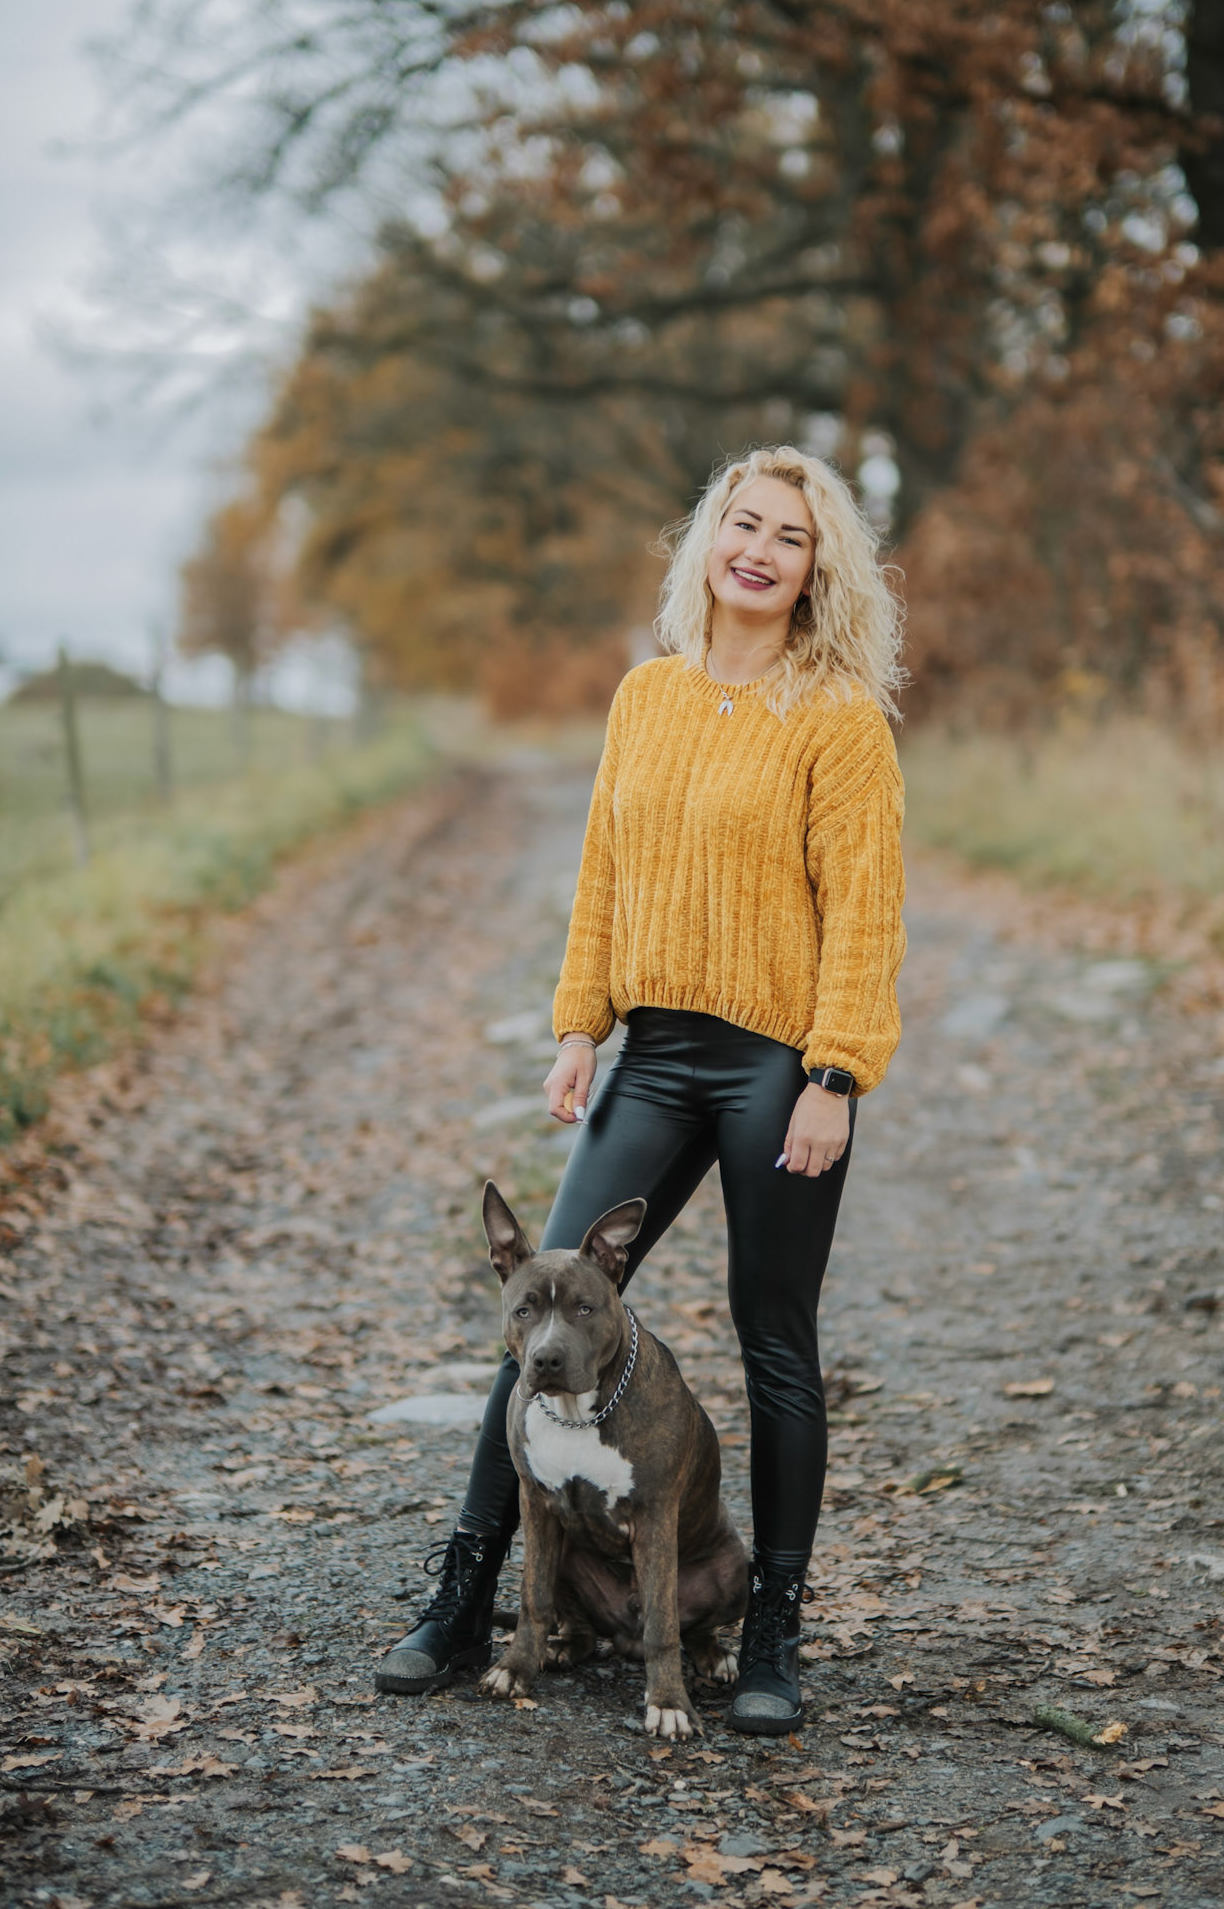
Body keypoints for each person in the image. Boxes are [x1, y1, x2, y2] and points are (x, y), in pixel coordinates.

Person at [377, 446, 907, 1733]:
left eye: (791, 536)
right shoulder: (647, 696)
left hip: (778, 1064)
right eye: (744, 523)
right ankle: (466, 1593)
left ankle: (771, 1626)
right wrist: (580, 1025)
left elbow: (866, 909)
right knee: (545, 1310)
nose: (761, 550)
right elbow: (604, 873)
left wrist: (835, 1072)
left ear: (817, 570)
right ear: (709, 541)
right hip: (655, 1058)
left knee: (776, 1337)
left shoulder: (837, 716)